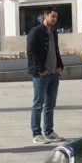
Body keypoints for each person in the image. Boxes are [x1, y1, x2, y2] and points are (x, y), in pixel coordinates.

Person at [27, 8, 65, 144]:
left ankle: (49, 132)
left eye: (56, 17)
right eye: (52, 16)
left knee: (50, 104)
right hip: (41, 74)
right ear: (45, 16)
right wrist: (40, 69)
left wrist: (60, 64)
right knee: (38, 104)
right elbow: (31, 52)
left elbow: (55, 50)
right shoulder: (35, 32)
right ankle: (36, 133)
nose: (55, 19)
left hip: (54, 73)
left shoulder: (54, 32)